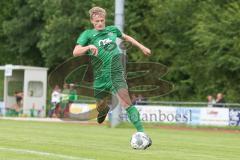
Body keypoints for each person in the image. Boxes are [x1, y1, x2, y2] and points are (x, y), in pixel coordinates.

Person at [73, 7, 151, 148]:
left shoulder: (112, 30)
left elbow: (126, 37)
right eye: (97, 21)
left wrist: (142, 47)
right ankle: (103, 110)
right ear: (92, 21)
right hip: (100, 78)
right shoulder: (88, 34)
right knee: (100, 105)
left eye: (102, 20)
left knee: (126, 103)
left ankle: (142, 132)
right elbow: (75, 51)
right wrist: (88, 47)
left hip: (116, 74)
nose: (100, 23)